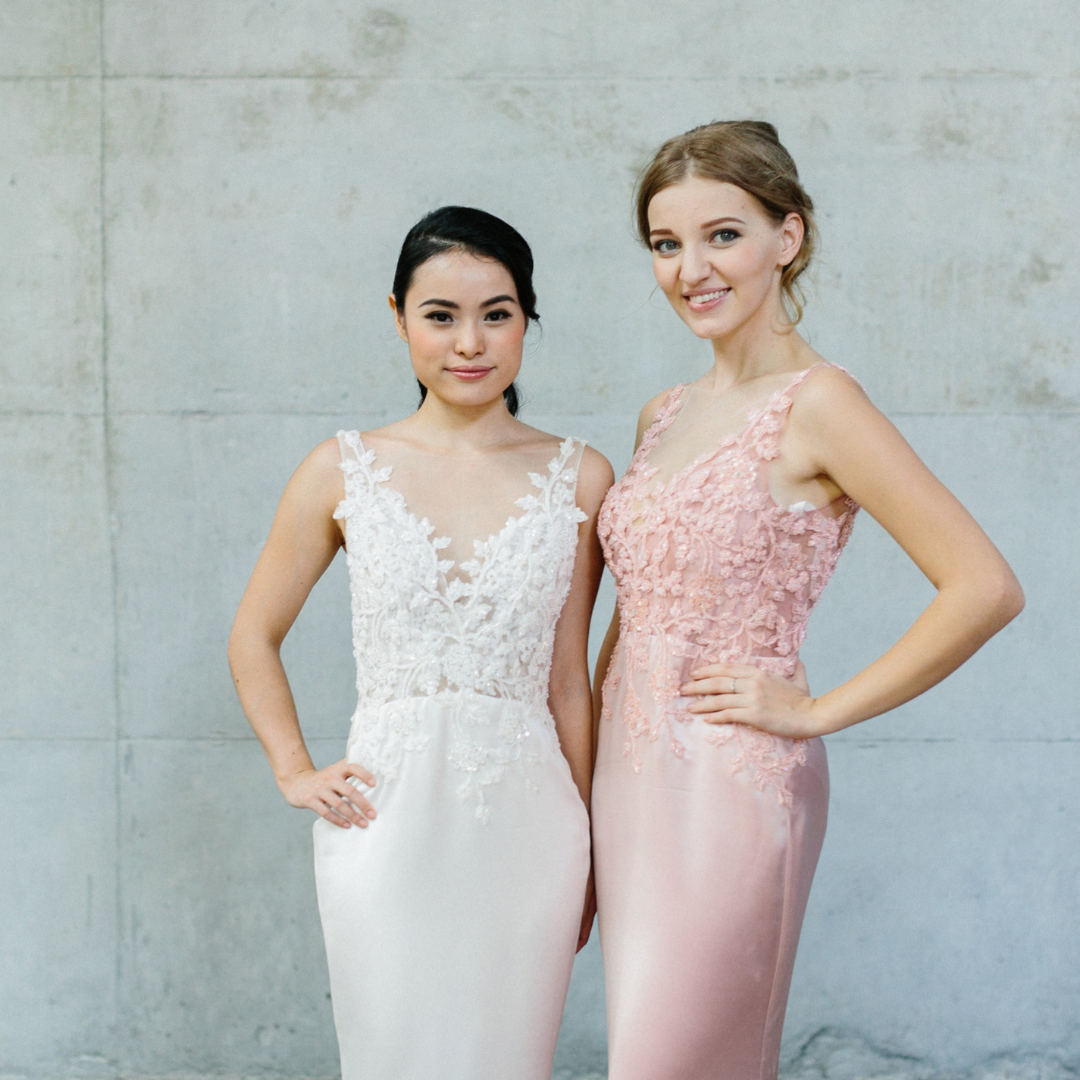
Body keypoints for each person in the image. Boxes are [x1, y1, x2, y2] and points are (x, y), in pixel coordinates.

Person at [590, 121, 1024, 1080]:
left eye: (723, 235)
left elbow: (985, 587)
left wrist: (817, 711)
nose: (691, 270)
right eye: (666, 244)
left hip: (731, 777)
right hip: (628, 779)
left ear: (787, 236)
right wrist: (580, 784)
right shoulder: (661, 413)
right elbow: (634, 609)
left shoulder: (820, 404)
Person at [228, 206, 612, 1080]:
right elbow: (252, 635)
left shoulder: (581, 476)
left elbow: (568, 683)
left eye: (496, 314)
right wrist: (294, 770)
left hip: (529, 829)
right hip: (386, 822)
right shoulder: (341, 468)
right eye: (441, 315)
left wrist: (593, 847)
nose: (469, 342)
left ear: (527, 319)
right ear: (399, 317)